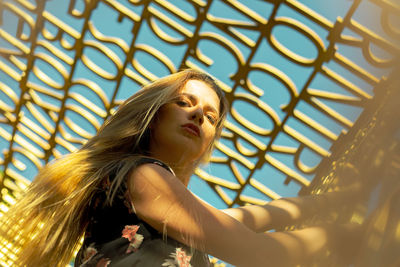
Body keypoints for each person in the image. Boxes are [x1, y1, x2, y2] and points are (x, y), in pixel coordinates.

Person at [0, 69, 361, 267]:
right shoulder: (142, 175)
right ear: (153, 114)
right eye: (184, 103)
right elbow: (260, 253)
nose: (197, 115)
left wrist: (336, 200)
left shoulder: (152, 200)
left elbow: (247, 218)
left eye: (209, 116)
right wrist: (342, 233)